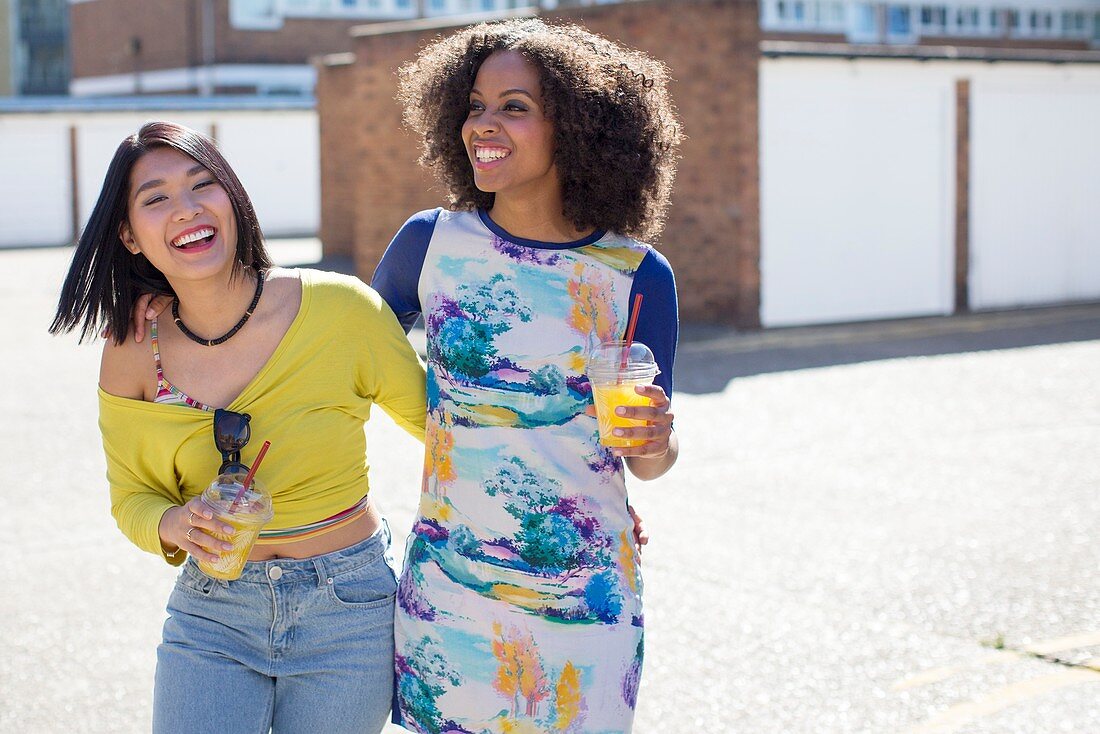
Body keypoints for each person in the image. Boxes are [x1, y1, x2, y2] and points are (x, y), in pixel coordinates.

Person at [50, 121, 427, 734]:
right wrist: (176, 522)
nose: (187, 208)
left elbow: (452, 435)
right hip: (214, 614)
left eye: (204, 185)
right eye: (156, 198)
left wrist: (585, 498)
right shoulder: (132, 349)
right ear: (129, 236)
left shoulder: (342, 310)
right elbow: (131, 499)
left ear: (234, 200)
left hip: (348, 608)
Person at [371, 18, 683, 733]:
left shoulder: (637, 275)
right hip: (452, 594)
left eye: (515, 106)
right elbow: (335, 356)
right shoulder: (429, 243)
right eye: (476, 105)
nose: (485, 123)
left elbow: (651, 460)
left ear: (578, 129)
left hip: (587, 601)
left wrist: (658, 441)